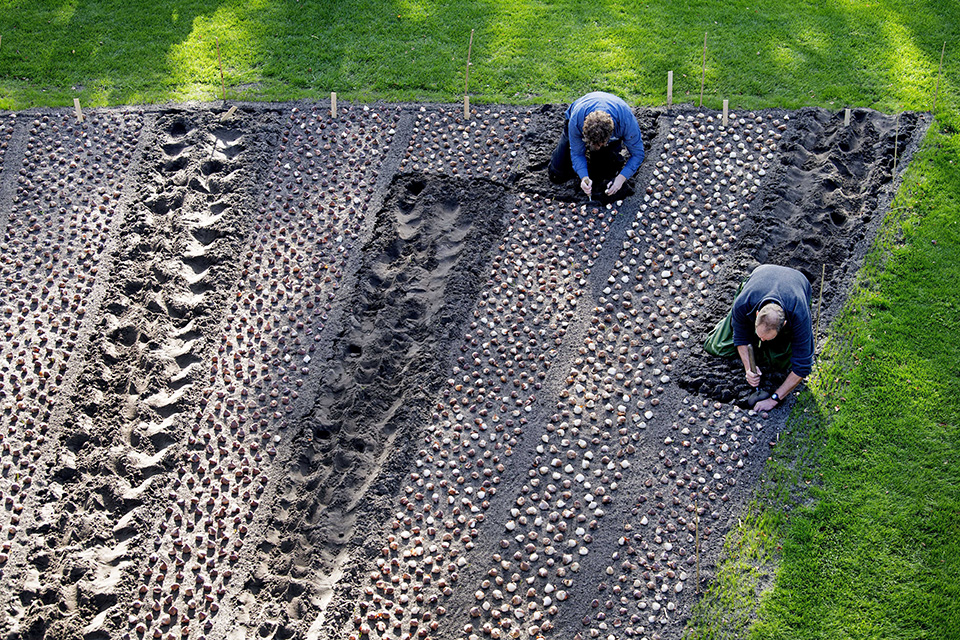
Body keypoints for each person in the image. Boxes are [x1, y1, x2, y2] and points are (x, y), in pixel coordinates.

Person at [703, 264, 814, 411]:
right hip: (759, 280)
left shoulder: (799, 315)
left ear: (785, 324)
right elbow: (741, 337)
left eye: (766, 338)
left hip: (798, 286)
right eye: (759, 335)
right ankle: (740, 327)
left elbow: (802, 367)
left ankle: (771, 340)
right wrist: (748, 368)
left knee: (783, 362)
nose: (761, 340)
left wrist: (773, 399)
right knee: (718, 346)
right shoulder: (744, 302)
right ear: (756, 314)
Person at [548, 91, 645, 198]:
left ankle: (606, 153)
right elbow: (577, 153)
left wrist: (621, 178)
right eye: (591, 144)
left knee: (604, 175)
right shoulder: (576, 121)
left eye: (599, 145)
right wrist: (583, 177)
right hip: (579, 113)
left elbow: (638, 154)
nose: (595, 148)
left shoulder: (626, 122)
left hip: (616, 120)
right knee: (556, 174)